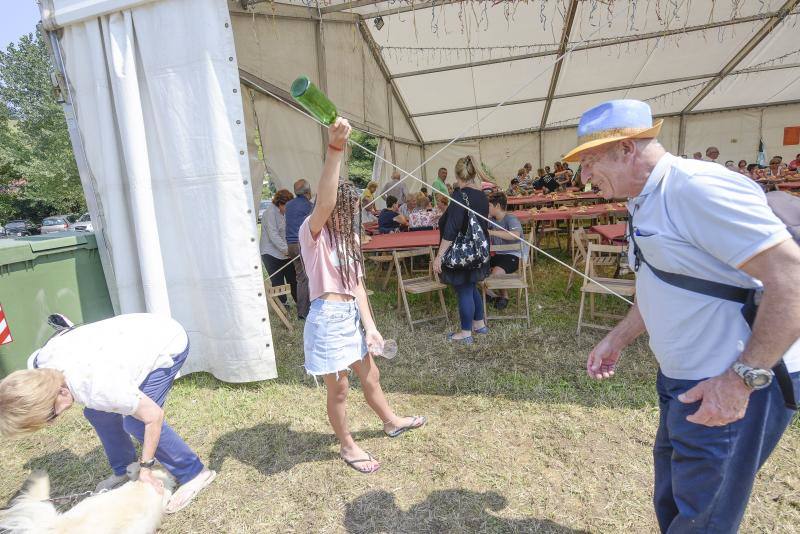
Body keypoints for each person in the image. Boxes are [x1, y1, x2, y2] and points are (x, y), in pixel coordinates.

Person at [564, 99, 800, 534]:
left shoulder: (695, 187)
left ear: (627, 149)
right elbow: (664, 285)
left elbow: (791, 279)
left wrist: (739, 382)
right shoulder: (643, 197)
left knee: (703, 516)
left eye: (590, 161)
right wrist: (619, 337)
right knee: (674, 497)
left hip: (724, 379)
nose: (584, 177)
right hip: (684, 378)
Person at [299, 117, 425, 474]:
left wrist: (370, 328)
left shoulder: (349, 243)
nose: (355, 215)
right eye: (350, 209)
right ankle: (347, 446)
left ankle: (390, 420)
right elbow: (323, 202)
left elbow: (357, 287)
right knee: (339, 391)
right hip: (326, 320)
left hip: (350, 318)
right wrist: (335, 149)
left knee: (371, 378)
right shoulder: (314, 235)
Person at [0, 313, 217, 513]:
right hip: (131, 336)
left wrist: (146, 468)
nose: (51, 423)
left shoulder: (98, 387)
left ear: (63, 392)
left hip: (166, 340)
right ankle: (125, 468)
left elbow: (154, 417)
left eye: (51, 416)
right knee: (97, 414)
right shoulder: (39, 365)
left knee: (137, 423)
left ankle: (194, 473)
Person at [433, 155, 490, 344]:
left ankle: (466, 333)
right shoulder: (482, 195)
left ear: (457, 174)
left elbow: (451, 229)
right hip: (478, 249)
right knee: (471, 285)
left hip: (462, 251)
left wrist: (439, 256)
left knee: (464, 289)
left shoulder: (459, 195)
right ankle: (479, 324)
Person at [486, 192, 523, 310]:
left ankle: (504, 296)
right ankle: (491, 295)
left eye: (489, 206)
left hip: (512, 255)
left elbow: (515, 235)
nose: (488, 208)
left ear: (497, 206)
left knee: (496, 273)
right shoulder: (490, 219)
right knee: (474, 270)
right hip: (497, 254)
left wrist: (492, 232)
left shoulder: (510, 218)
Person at [260, 189, 297, 308]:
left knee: (293, 278)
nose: (289, 208)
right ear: (280, 203)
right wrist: (286, 250)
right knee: (278, 281)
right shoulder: (269, 213)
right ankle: (283, 305)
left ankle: (299, 302)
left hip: (283, 252)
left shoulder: (284, 213)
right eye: (287, 206)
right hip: (270, 253)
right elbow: (273, 235)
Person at [285, 179, 314, 320]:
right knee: (305, 278)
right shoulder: (308, 206)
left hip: (291, 245)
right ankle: (303, 312)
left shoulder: (289, 205)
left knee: (301, 277)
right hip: (301, 244)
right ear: (308, 191)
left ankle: (305, 309)